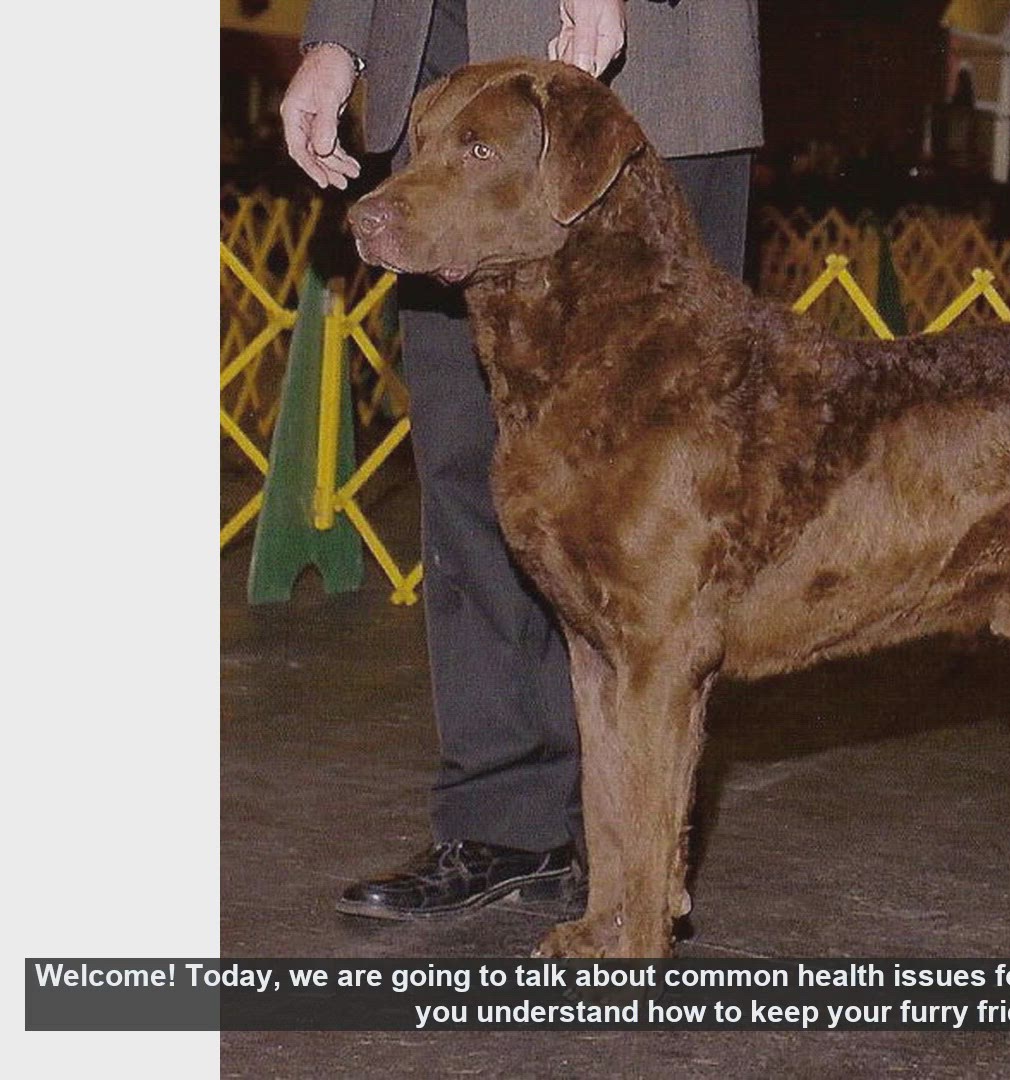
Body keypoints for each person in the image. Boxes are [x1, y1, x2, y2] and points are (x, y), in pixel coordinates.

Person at [279, 0, 762, 921]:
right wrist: (340, 37)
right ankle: (502, 824)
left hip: (656, 76)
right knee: (472, 479)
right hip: (446, 58)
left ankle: (633, 862)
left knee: (662, 515)